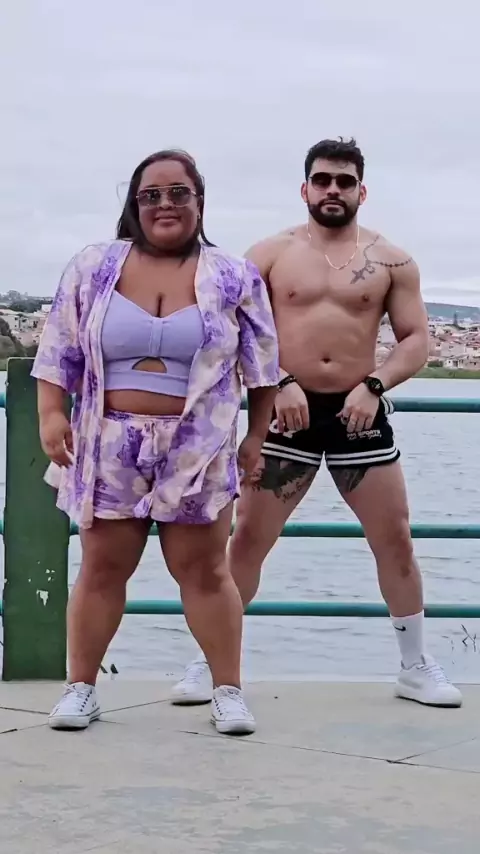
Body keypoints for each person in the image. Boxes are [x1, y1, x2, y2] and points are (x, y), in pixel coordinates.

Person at [172, 137, 462, 709]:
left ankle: (415, 666)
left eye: (344, 181)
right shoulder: (270, 254)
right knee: (248, 541)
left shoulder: (393, 261)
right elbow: (233, 331)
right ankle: (210, 663)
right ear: (304, 188)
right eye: (323, 180)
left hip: (358, 413)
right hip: (284, 413)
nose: (333, 190)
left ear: (361, 191)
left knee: (395, 540)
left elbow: (416, 340)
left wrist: (374, 386)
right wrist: (277, 381)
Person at [32, 148, 280, 735]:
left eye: (178, 193)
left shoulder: (233, 275)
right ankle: (80, 689)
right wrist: (50, 413)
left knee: (204, 571)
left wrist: (256, 436)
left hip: (199, 446)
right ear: (134, 204)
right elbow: (59, 345)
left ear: (199, 201)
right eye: (151, 195)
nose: (165, 204)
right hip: (107, 442)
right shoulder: (94, 265)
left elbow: (263, 364)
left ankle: (227, 692)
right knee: (101, 567)